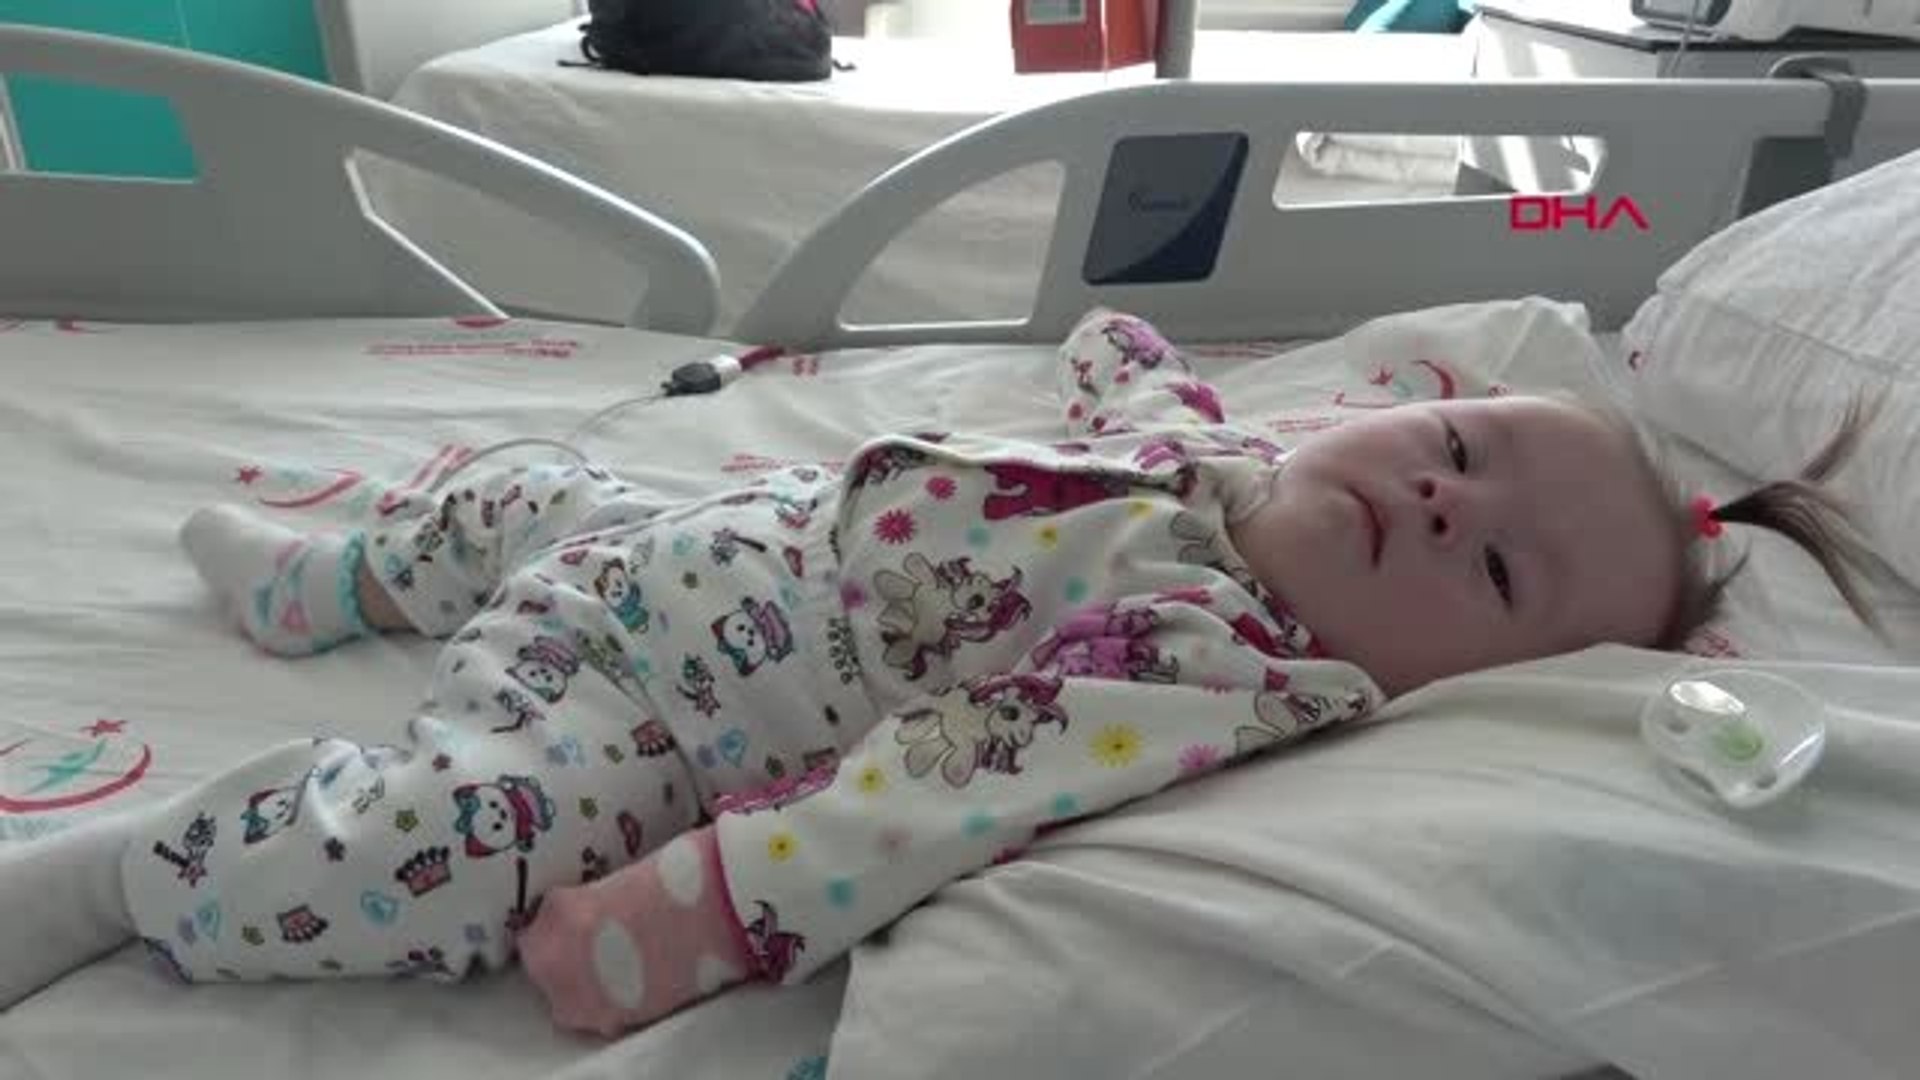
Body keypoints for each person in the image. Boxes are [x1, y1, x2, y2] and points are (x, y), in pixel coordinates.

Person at [0, 308, 1882, 1035]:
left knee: (449, 844)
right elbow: (1140, 399)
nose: (1441, 497)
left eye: (1497, 566)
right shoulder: (1234, 465)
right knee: (527, 490)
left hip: (641, 715)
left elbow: (950, 783)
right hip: (685, 533)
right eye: (1456, 445)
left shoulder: (1216, 662)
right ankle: (329, 580)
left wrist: (687, 913)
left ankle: (132, 871)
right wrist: (1121, 357)